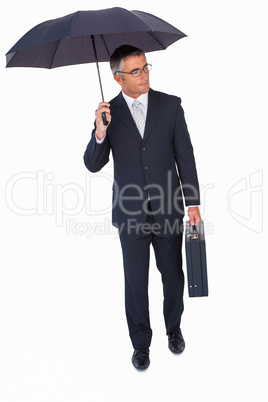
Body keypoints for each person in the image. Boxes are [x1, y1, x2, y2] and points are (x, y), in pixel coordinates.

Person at [84, 45, 201, 370]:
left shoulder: (171, 106)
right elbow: (93, 164)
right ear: (118, 78)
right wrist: (100, 131)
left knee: (173, 275)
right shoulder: (109, 113)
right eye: (136, 71)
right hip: (130, 213)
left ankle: (174, 329)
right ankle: (140, 345)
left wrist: (193, 203)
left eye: (146, 67)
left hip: (168, 208)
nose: (144, 75)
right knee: (135, 281)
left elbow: (185, 156)